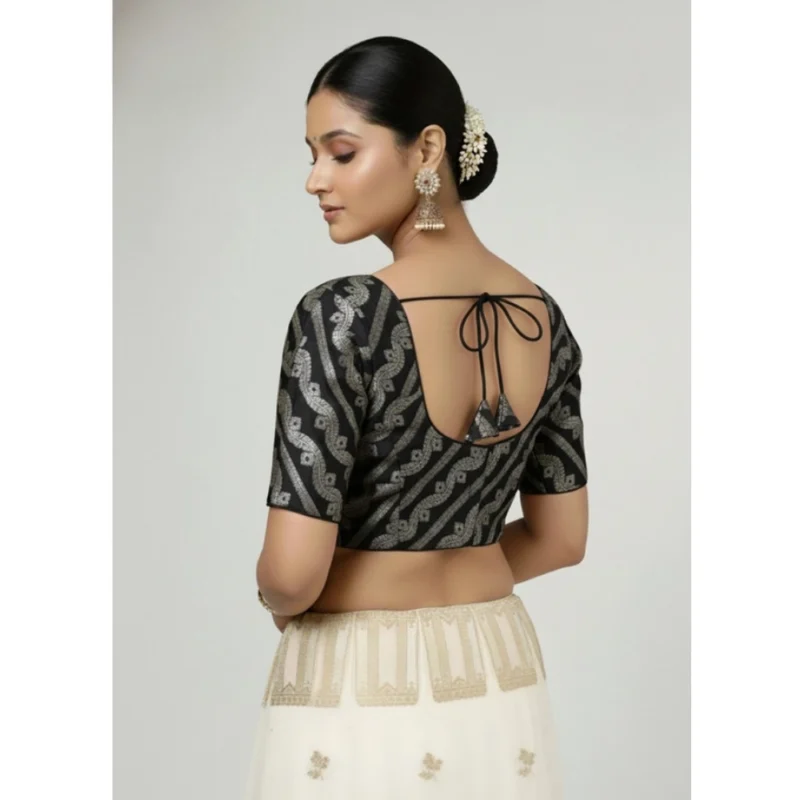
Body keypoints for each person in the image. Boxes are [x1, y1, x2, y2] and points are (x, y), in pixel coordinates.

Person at [244, 35, 589, 800]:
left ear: (428, 148)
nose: (315, 179)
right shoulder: (546, 318)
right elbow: (561, 540)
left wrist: (278, 596)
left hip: (362, 680)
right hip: (495, 668)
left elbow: (293, 575)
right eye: (313, 155)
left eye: (341, 152)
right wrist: (461, 572)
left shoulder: (345, 315)